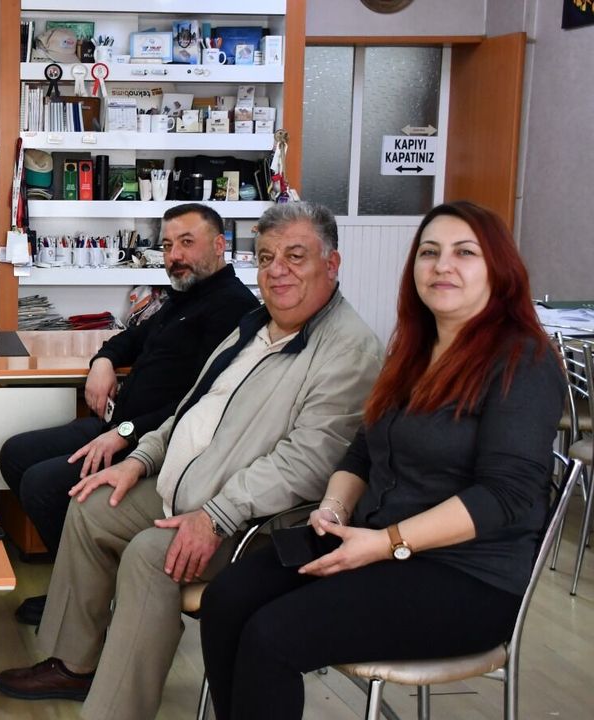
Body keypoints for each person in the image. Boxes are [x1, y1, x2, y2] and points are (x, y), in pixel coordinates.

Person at [0, 202, 383, 720]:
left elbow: (307, 464)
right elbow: (191, 408)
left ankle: (115, 710)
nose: (277, 271)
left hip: (255, 522)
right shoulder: (254, 324)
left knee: (150, 555)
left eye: (295, 256)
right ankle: (73, 665)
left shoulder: (348, 350)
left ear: (331, 265)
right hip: (186, 485)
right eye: (267, 257)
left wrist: (215, 515)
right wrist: (140, 459)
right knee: (90, 506)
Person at [198, 201, 564, 720]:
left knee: (272, 636)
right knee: (227, 598)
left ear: (498, 269)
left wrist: (386, 543)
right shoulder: (414, 349)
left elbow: (505, 494)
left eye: (465, 253)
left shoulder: (523, 360)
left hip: (467, 576)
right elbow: (364, 449)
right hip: (374, 540)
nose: (442, 266)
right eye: (429, 252)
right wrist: (333, 510)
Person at [0, 203, 259, 625]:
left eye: (186, 243)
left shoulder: (231, 308)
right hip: (117, 427)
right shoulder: (182, 298)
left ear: (219, 246)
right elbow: (129, 339)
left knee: (43, 484)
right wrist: (102, 362)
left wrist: (125, 432)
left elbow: (199, 403)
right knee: (15, 453)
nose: (174, 256)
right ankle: (77, 585)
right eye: (168, 246)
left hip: (151, 445)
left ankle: (86, 602)